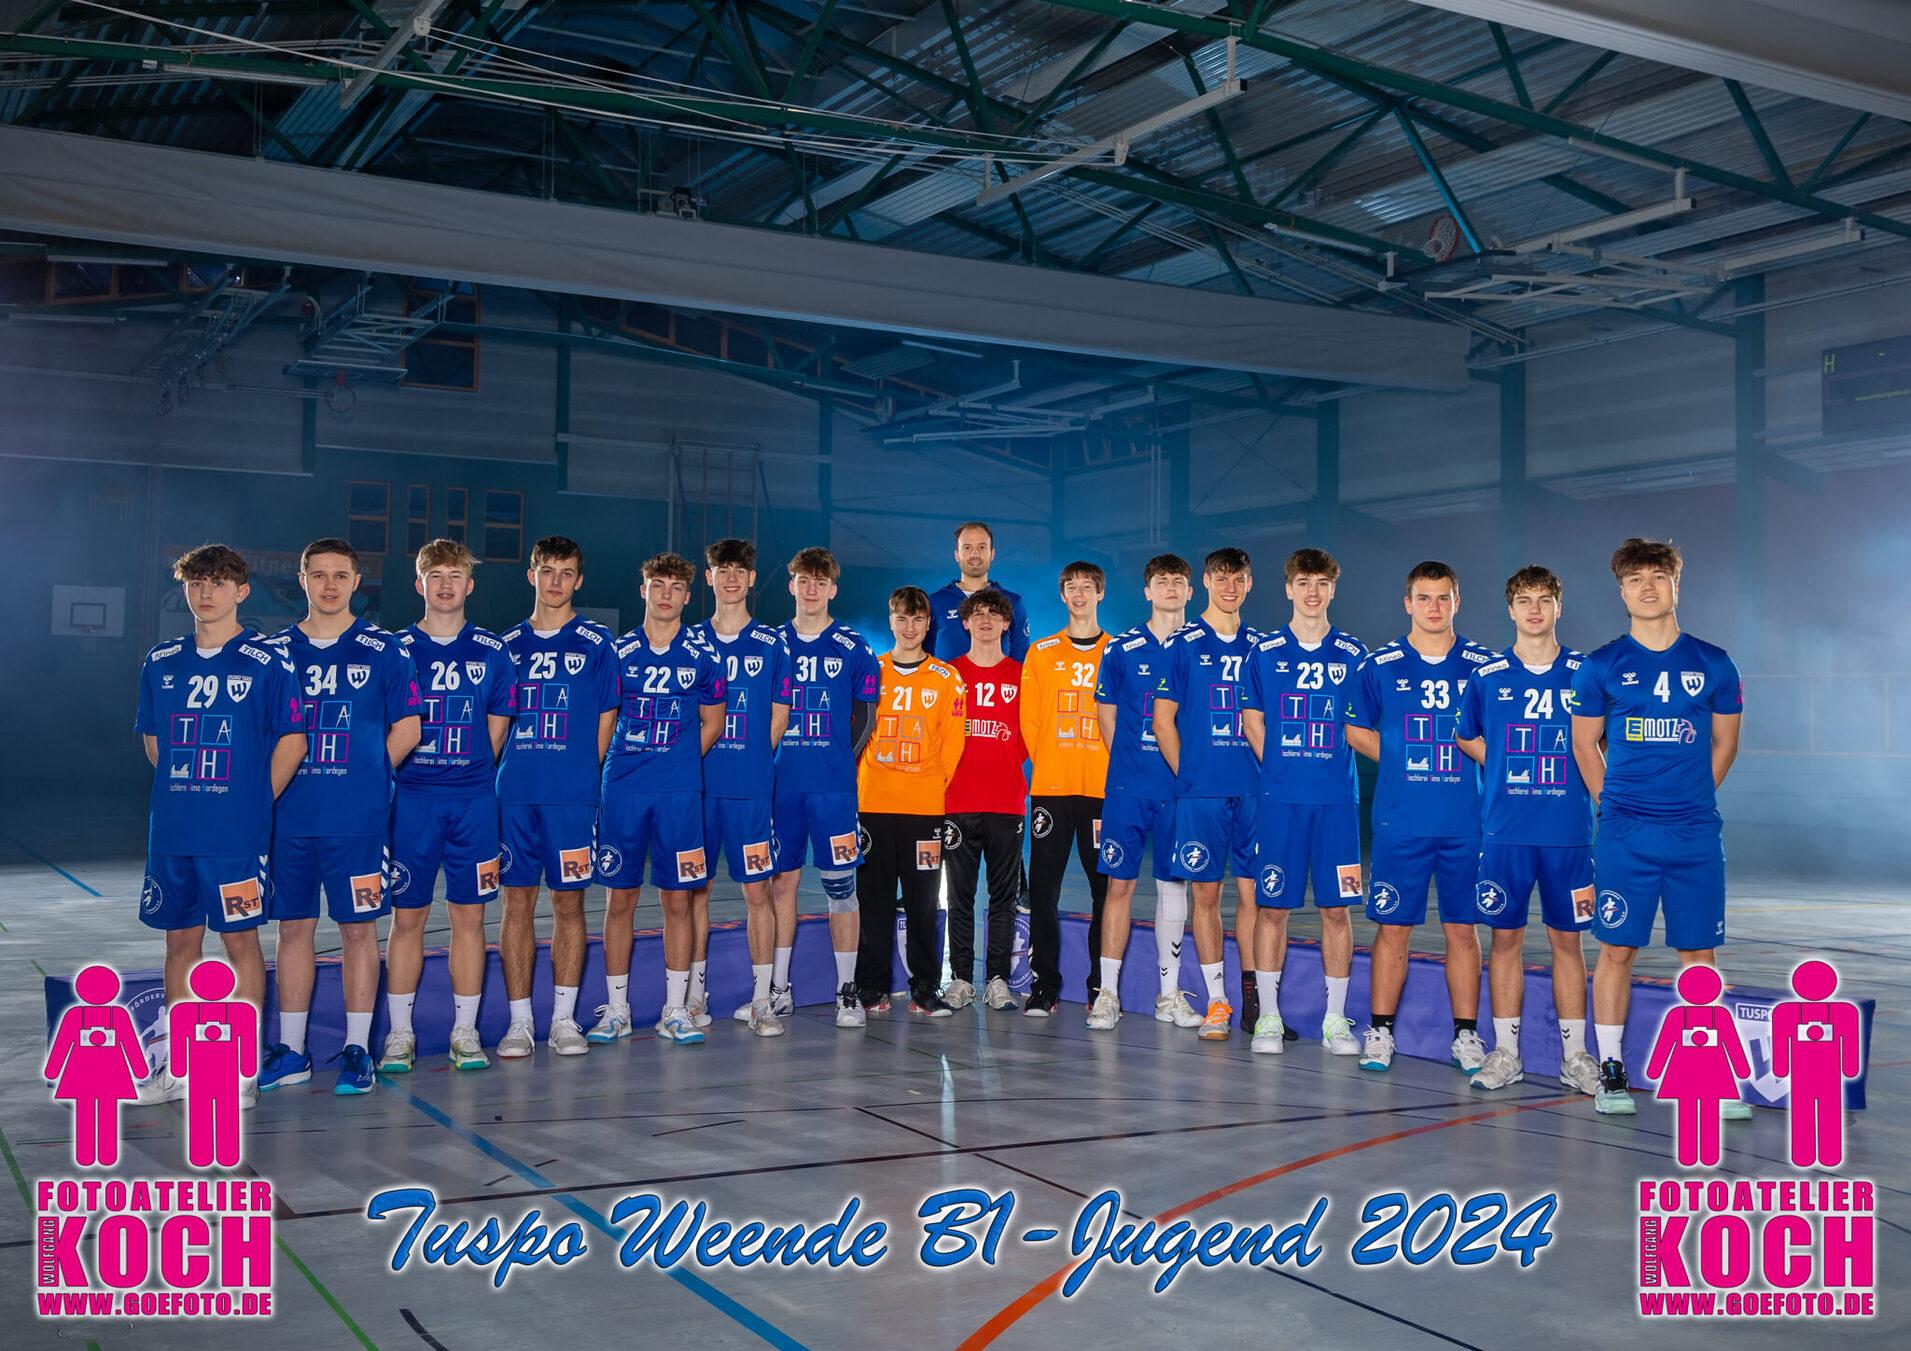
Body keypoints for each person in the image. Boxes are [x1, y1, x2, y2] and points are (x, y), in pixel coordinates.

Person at [1570, 538, 1744, 1118]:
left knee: (1700, 956)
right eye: (1635, 578)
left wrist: (1688, 798)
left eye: (1658, 575)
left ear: (1676, 583)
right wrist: (1613, 803)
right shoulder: (1601, 665)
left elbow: (1725, 744)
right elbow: (1583, 744)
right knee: (1617, 949)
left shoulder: (1714, 662)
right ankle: (1612, 1070)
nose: (1647, 586)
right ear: (1621, 591)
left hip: (1694, 832)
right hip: (1625, 834)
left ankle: (1710, 1071)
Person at [132, 544, 303, 1105]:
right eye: (196, 583)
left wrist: (253, 802)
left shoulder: (269, 661)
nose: (206, 593)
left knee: (239, 941)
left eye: (218, 583)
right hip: (176, 830)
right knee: (181, 942)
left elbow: (293, 741)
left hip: (235, 833)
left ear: (241, 591)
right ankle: (183, 1067)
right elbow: (157, 744)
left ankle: (245, 1068)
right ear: (185, 590)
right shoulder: (160, 662)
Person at [259, 538, 420, 1096]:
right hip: (291, 815)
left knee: (358, 931)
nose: (329, 585)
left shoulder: (386, 649)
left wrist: (371, 776)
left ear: (357, 582)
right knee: (293, 928)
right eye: (318, 575)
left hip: (357, 818)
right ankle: (293, 1051)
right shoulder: (273, 652)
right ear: (301, 580)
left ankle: (357, 1048)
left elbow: (409, 727)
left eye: (340, 575)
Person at [1345, 561, 1496, 1075]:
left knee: (1462, 930)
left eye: (1443, 598)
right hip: (1401, 821)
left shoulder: (1484, 666)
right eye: (1424, 598)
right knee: (1393, 929)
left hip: (1465, 822)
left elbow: (1497, 735)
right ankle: (1380, 1032)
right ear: (1407, 603)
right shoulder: (1379, 664)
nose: (1434, 607)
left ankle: (1467, 1037)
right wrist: (1404, 757)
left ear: (1458, 601)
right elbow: (1353, 727)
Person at [1454, 566, 1600, 1094]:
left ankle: (1576, 1056)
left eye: (1544, 600)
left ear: (1559, 607)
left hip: (1568, 832)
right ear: (1509, 609)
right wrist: (1501, 767)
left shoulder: (1586, 672)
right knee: (1505, 940)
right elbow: (1465, 735)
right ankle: (1506, 1052)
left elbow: (1600, 742)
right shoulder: (1488, 676)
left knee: (1569, 942)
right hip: (1506, 832)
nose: (1534, 609)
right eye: (1523, 600)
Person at [383, 539, 516, 1073]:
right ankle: (399, 1035)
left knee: (469, 916)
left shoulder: (491, 650)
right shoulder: (395, 651)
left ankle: (465, 1031)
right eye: (434, 575)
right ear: (418, 585)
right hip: (413, 798)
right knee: (407, 916)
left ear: (469, 585)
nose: (444, 584)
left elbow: (497, 730)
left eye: (454, 575)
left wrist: (468, 772)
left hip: (473, 800)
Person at [1240, 549, 1369, 1056]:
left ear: (1332, 589)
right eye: (1302, 582)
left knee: (1337, 911)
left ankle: (1336, 1019)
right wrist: (1280, 770)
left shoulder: (1355, 654)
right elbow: (1253, 722)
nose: (1312, 591)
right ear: (1288, 589)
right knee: (1272, 908)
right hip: (1281, 801)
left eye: (1320, 583)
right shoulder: (1265, 652)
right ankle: (1269, 1017)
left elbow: (1364, 725)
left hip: (1336, 801)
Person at [496, 536, 620, 1060]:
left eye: (566, 573)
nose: (556, 582)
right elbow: (495, 724)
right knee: (516, 902)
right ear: (531, 575)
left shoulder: (597, 643)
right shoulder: (504, 647)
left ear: (579, 581)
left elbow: (606, 719)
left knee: (569, 903)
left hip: (571, 799)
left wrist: (577, 774)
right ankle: (520, 1022)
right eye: (547, 571)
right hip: (516, 795)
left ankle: (564, 1019)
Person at [596, 552, 727, 1047]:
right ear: (643, 590)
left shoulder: (703, 653)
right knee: (619, 900)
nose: (666, 593)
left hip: (678, 792)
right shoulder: (617, 650)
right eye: (658, 584)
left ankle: (676, 1008)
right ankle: (617, 1010)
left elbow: (713, 720)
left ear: (688, 596)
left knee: (678, 898)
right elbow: (606, 719)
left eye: (675, 586)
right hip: (624, 787)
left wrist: (673, 759)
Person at [1153, 548, 1262, 1040]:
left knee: (1256, 895)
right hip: (1203, 794)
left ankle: (1260, 1003)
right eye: (1221, 578)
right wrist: (1189, 778)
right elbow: (1162, 720)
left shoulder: (1263, 646)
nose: (1230, 586)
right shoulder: (1182, 642)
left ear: (1249, 583)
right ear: (1206, 582)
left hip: (1255, 790)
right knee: (1206, 894)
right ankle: (1218, 1001)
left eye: (1237, 578)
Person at [686, 539, 793, 1037]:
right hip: (698, 790)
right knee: (694, 892)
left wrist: (747, 759)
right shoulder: (689, 643)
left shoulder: (773, 644)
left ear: (752, 579)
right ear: (708, 578)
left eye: (740, 570)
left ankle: (762, 999)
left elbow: (777, 719)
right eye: (721, 569)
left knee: (759, 893)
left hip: (750, 791)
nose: (731, 577)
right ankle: (692, 995)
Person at [770, 547, 881, 1028]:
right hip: (780, 786)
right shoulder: (769, 645)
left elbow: (866, 716)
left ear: (833, 589)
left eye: (820, 582)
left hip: (833, 789)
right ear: (791, 585)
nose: (811, 589)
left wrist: (837, 761)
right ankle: (777, 988)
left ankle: (846, 992)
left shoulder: (854, 647)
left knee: (842, 889)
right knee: (782, 884)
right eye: (803, 580)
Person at [1090, 555, 1199, 1032]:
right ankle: (1107, 995)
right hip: (1130, 787)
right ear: (1147, 591)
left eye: (1179, 582)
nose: (1171, 588)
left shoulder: (1202, 647)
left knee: (1174, 885)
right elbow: (1106, 715)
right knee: (1119, 885)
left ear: (1190, 592)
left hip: (1180, 789)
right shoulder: (1121, 648)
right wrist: (1130, 766)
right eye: (1161, 581)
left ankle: (1168, 993)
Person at [858, 586, 966, 1017]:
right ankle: (871, 986)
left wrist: (927, 784)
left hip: (923, 809)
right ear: (891, 622)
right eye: (901, 619)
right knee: (874, 899)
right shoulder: (871, 671)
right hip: (874, 804)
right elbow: (858, 730)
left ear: (928, 624)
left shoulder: (946, 678)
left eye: (917, 620)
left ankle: (925, 987)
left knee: (923, 902)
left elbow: (952, 745)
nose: (909, 627)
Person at [1022, 562, 1112, 1019]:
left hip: (1100, 790)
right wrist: (1054, 763)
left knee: (1105, 892)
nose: (1079, 594)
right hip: (1053, 791)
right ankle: (1045, 985)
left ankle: (1101, 986)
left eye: (1087, 587)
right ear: (1062, 595)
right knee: (1043, 891)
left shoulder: (1117, 651)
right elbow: (1030, 720)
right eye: (1071, 588)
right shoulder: (1041, 652)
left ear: (1100, 594)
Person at [942, 590, 1028, 1010]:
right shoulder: (950, 675)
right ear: (965, 623)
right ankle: (960, 977)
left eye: (995, 614)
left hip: (1006, 800)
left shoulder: (1021, 676)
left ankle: (996, 978)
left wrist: (1002, 756)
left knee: (1002, 897)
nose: (987, 620)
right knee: (959, 897)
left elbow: (1029, 737)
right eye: (978, 614)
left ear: (1007, 623)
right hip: (957, 800)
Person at [927, 521, 1031, 662]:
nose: (974, 554)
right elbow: (924, 657)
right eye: (967, 547)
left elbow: (1021, 659)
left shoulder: (1013, 601)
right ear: (956, 555)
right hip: (946, 684)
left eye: (982, 547)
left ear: (992, 554)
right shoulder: (935, 602)